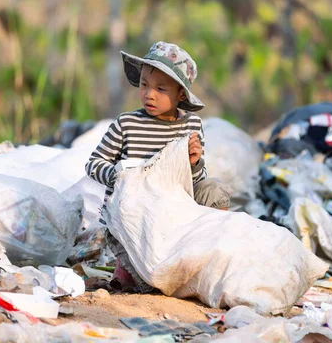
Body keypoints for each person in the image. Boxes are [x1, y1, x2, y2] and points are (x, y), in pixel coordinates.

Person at [85, 41, 231, 293]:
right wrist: (119, 175)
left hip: (177, 213)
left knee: (214, 192)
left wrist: (194, 162)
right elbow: (94, 163)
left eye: (160, 88)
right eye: (144, 84)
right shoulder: (127, 124)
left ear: (180, 95)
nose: (149, 94)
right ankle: (130, 264)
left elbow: (197, 180)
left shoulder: (191, 125)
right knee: (134, 281)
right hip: (136, 216)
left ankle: (206, 262)